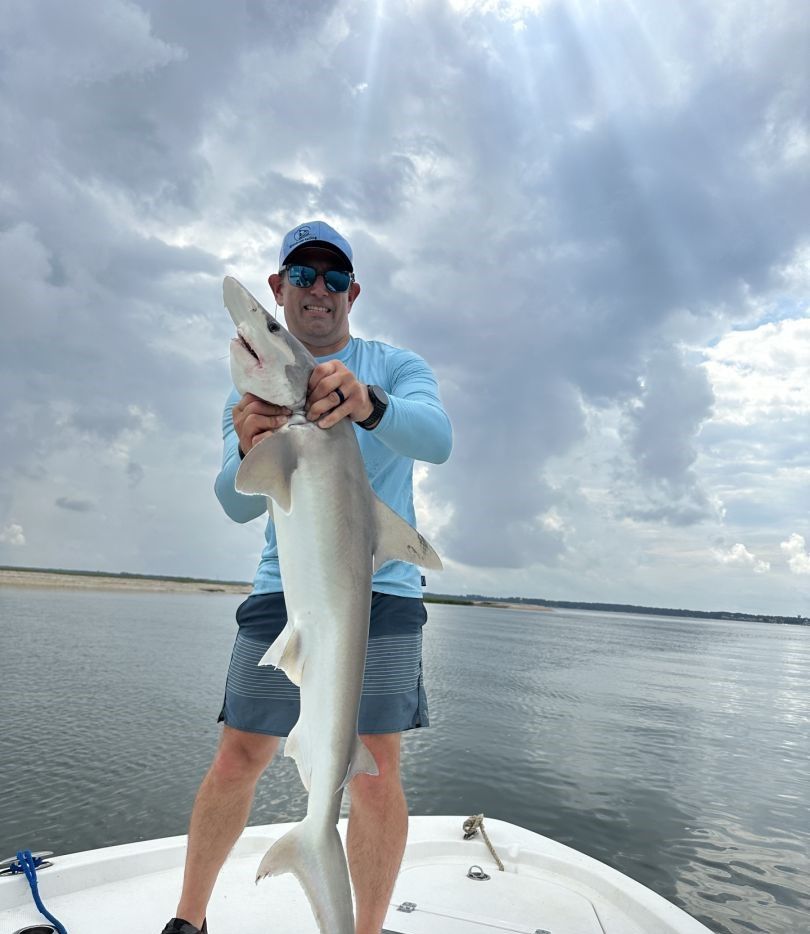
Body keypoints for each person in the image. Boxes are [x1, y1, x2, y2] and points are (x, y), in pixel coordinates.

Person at [161, 220, 452, 934]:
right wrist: (249, 441)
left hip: (380, 593)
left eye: (332, 278)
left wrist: (369, 404)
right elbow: (234, 503)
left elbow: (436, 439)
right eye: (300, 276)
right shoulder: (251, 400)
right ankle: (188, 921)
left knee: (376, 767)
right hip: (282, 591)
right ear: (278, 288)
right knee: (238, 753)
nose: (316, 289)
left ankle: (365, 928)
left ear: (352, 292)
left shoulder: (394, 366)